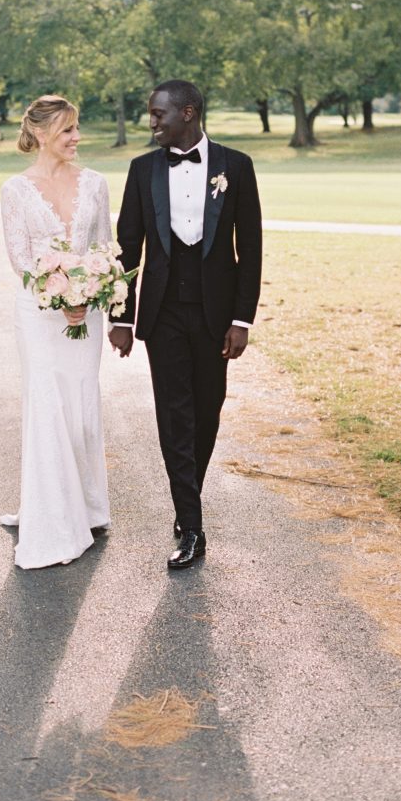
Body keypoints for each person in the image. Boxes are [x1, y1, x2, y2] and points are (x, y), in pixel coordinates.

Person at [109, 80, 262, 569]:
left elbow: (251, 249)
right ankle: (190, 525)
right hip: (163, 314)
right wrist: (120, 318)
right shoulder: (142, 170)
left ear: (189, 113)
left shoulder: (235, 167)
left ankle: (186, 499)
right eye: (151, 115)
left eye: (159, 114)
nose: (152, 123)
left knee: (208, 410)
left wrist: (241, 319)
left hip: (216, 315)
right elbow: (127, 249)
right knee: (174, 414)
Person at [0, 95, 112, 568]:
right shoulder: (15, 190)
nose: (76, 138)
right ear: (42, 134)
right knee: (47, 405)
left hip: (88, 311)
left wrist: (87, 294)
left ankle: (85, 506)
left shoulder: (97, 184)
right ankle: (51, 519)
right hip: (39, 313)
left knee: (82, 407)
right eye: (67, 130)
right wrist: (60, 294)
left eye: (77, 128)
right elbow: (21, 259)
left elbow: (105, 247)